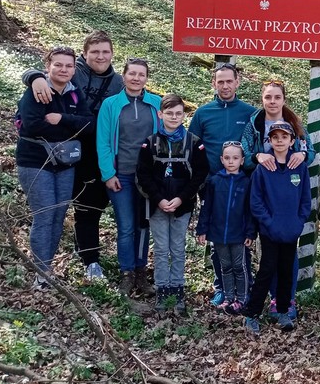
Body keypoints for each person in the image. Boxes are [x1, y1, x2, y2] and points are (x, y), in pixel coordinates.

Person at [22, 31, 123, 281]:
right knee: (52, 212)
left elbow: (91, 120)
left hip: (92, 151)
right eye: (95, 52)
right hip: (58, 153)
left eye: (105, 52)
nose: (100, 56)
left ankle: (79, 259)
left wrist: (64, 121)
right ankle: (47, 270)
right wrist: (34, 77)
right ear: (84, 54)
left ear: (112, 54)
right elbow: (41, 75)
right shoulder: (70, 73)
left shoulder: (117, 82)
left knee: (82, 208)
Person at [16, 47, 94, 289]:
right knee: (44, 214)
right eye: (58, 65)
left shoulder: (74, 93)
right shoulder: (37, 90)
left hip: (65, 163)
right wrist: (69, 130)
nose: (63, 70)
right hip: (35, 162)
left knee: (59, 216)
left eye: (69, 66)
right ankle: (41, 274)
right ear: (48, 66)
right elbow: (31, 125)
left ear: (74, 69)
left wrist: (62, 119)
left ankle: (47, 269)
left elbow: (88, 124)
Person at [240, 78, 314, 319]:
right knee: (268, 264)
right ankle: (257, 309)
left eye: (277, 97)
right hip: (267, 200)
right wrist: (258, 157)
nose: (272, 101)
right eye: (268, 97)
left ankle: (284, 304)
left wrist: (302, 155)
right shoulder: (255, 124)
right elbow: (244, 154)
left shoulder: (295, 124)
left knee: (287, 263)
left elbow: (309, 151)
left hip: (290, 213)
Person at [189, 63, 257, 306]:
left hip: (241, 187)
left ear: (237, 82)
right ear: (214, 84)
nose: (225, 86)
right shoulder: (203, 113)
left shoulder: (250, 113)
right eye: (220, 82)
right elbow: (192, 147)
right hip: (212, 185)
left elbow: (257, 145)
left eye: (229, 81)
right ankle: (222, 288)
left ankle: (244, 288)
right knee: (218, 238)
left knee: (240, 239)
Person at [135, 94, 209, 315]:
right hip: (157, 205)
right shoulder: (149, 143)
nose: (174, 117)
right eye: (169, 113)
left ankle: (177, 288)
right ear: (160, 114)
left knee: (177, 247)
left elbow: (200, 174)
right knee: (160, 248)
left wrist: (181, 198)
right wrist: (159, 199)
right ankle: (162, 288)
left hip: (182, 205)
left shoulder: (194, 143)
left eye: (178, 113)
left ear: (184, 115)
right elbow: (143, 174)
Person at [97, 58, 161, 296]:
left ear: (146, 78)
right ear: (123, 76)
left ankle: (141, 271)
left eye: (141, 74)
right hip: (121, 175)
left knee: (143, 225)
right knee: (125, 226)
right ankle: (127, 273)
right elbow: (103, 141)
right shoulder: (111, 105)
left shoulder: (156, 103)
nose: (136, 78)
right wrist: (108, 174)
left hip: (147, 177)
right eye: (132, 73)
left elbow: (167, 134)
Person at [196, 141, 253, 314]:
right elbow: (206, 207)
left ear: (242, 160)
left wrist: (250, 232)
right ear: (221, 159)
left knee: (239, 266)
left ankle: (242, 298)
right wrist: (202, 230)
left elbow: (250, 211)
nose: (231, 161)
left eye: (235, 158)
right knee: (225, 266)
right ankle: (228, 297)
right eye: (227, 158)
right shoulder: (214, 181)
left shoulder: (246, 182)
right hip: (218, 233)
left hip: (238, 234)